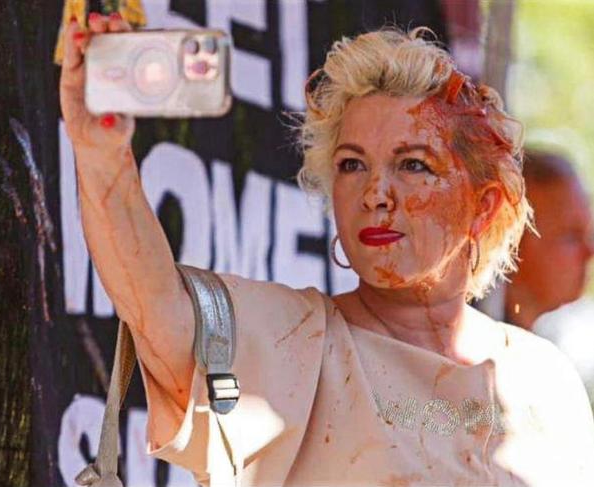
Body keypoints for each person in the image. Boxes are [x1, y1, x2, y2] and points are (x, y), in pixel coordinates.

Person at [61, 13, 594, 486]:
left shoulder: (546, 377)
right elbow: (155, 308)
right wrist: (100, 153)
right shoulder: (297, 341)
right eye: (351, 164)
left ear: (484, 206)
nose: (374, 194)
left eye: (413, 164)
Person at [505, 149, 594, 329]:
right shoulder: (454, 342)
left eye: (588, 234)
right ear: (512, 242)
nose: (589, 252)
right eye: (570, 237)